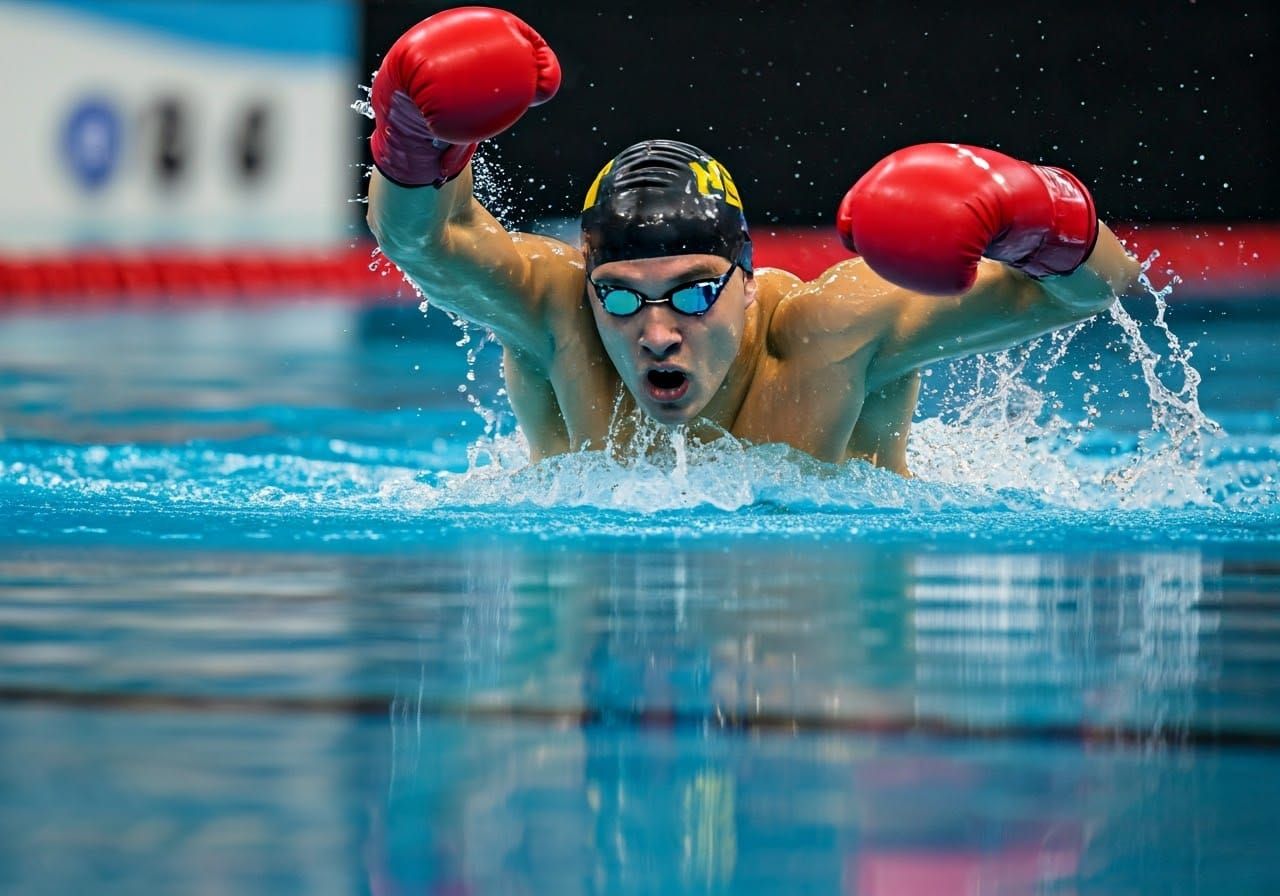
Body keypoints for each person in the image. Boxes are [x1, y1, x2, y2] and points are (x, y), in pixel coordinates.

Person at [366, 7, 1141, 475]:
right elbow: (423, 241)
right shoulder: (558, 318)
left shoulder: (832, 333)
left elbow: (1094, 288)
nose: (657, 334)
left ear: (748, 280)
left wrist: (1037, 211)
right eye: (622, 299)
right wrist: (412, 137)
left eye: (695, 293)